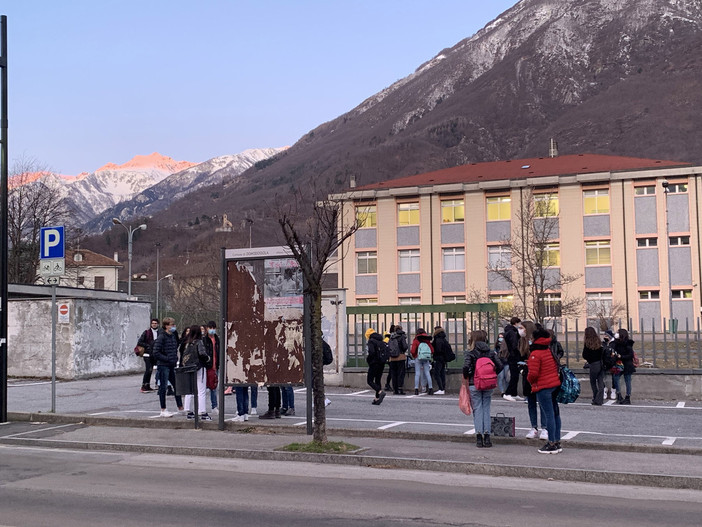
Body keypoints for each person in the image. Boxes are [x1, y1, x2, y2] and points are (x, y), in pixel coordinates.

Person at [463, 330, 502, 448]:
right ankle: (487, 437)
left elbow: (465, 367)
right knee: (486, 408)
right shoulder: (490, 352)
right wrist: (492, 375)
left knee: (477, 409)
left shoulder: (471, 352)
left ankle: (479, 437)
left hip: (474, 383)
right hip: (488, 384)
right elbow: (500, 365)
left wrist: (468, 376)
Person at [527, 327, 562, 454]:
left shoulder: (535, 354)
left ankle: (551, 443)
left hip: (543, 386)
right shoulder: (548, 350)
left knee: (548, 415)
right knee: (555, 413)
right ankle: (557, 441)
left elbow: (533, 374)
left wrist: (530, 380)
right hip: (554, 384)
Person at [518, 321, 547, 440]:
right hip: (527, 374)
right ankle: (534, 427)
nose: (520, 330)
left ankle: (545, 428)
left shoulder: (537, 342)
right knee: (531, 403)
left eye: (522, 328)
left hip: (538, 375)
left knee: (542, 403)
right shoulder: (521, 342)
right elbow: (518, 356)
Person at [152, 317, 184, 417]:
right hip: (163, 365)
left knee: (176, 386)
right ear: (166, 326)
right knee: (163, 387)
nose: (173, 326)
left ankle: (180, 407)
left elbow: (174, 349)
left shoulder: (172, 336)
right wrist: (167, 358)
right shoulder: (162, 337)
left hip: (172, 365)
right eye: (171, 325)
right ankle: (163, 409)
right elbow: (155, 352)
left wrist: (174, 359)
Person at [181, 324, 212, 421]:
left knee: (190, 389)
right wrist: (208, 359)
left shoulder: (187, 342)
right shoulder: (199, 342)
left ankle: (188, 410)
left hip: (189, 367)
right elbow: (202, 353)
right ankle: (202, 411)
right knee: (201, 390)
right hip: (199, 367)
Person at [611, 329, 636, 404]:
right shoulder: (615, 343)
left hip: (627, 364)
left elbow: (630, 355)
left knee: (627, 380)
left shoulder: (627, 344)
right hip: (618, 363)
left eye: (618, 333)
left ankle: (627, 397)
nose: (616, 334)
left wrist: (621, 356)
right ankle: (619, 395)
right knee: (616, 377)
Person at [582, 327, 605, 405]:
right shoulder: (598, 341)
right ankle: (600, 399)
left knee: (593, 382)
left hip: (593, 364)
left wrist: (589, 359)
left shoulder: (587, 343)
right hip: (601, 363)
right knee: (600, 381)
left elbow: (584, 355)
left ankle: (595, 397)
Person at [503, 317, 523, 401]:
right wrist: (517, 353)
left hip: (512, 356)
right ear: (516, 323)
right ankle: (508, 393)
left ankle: (514, 393)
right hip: (513, 356)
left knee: (515, 375)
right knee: (514, 375)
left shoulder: (510, 331)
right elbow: (514, 345)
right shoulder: (512, 332)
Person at [365, 327, 387, 405]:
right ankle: (377, 398)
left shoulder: (371, 341)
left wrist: (368, 360)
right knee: (378, 380)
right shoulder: (381, 341)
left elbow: (372, 352)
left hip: (374, 363)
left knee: (369, 380)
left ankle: (380, 392)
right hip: (381, 363)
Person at [137, 318, 159, 393]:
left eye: (155, 323)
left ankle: (148, 385)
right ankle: (143, 386)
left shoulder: (159, 333)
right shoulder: (147, 332)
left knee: (151, 370)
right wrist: (148, 346)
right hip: (147, 354)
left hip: (154, 354)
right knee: (148, 369)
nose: (154, 324)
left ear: (158, 324)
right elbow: (140, 342)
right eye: (153, 323)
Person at [202, 321, 220, 413]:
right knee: (203, 387)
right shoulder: (204, 340)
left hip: (215, 366)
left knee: (214, 387)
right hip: (207, 366)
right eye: (210, 328)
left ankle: (214, 406)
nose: (212, 330)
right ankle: (202, 406)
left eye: (213, 328)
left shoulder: (217, 340)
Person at [410, 328, 434, 396]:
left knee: (417, 373)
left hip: (418, 357)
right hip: (426, 358)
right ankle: (430, 388)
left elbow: (413, 350)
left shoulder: (416, 339)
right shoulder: (427, 340)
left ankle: (416, 389)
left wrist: (415, 356)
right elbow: (432, 350)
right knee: (427, 373)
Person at [431, 326, 453, 395]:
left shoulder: (437, 339)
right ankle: (443, 388)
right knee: (442, 373)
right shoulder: (443, 338)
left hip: (438, 358)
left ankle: (441, 388)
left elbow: (438, 349)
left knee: (437, 373)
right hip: (443, 358)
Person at [388, 324, 409, 395]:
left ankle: (395, 390)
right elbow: (405, 346)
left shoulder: (391, 337)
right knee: (401, 373)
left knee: (394, 374)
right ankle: (400, 389)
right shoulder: (402, 337)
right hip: (400, 357)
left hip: (392, 358)